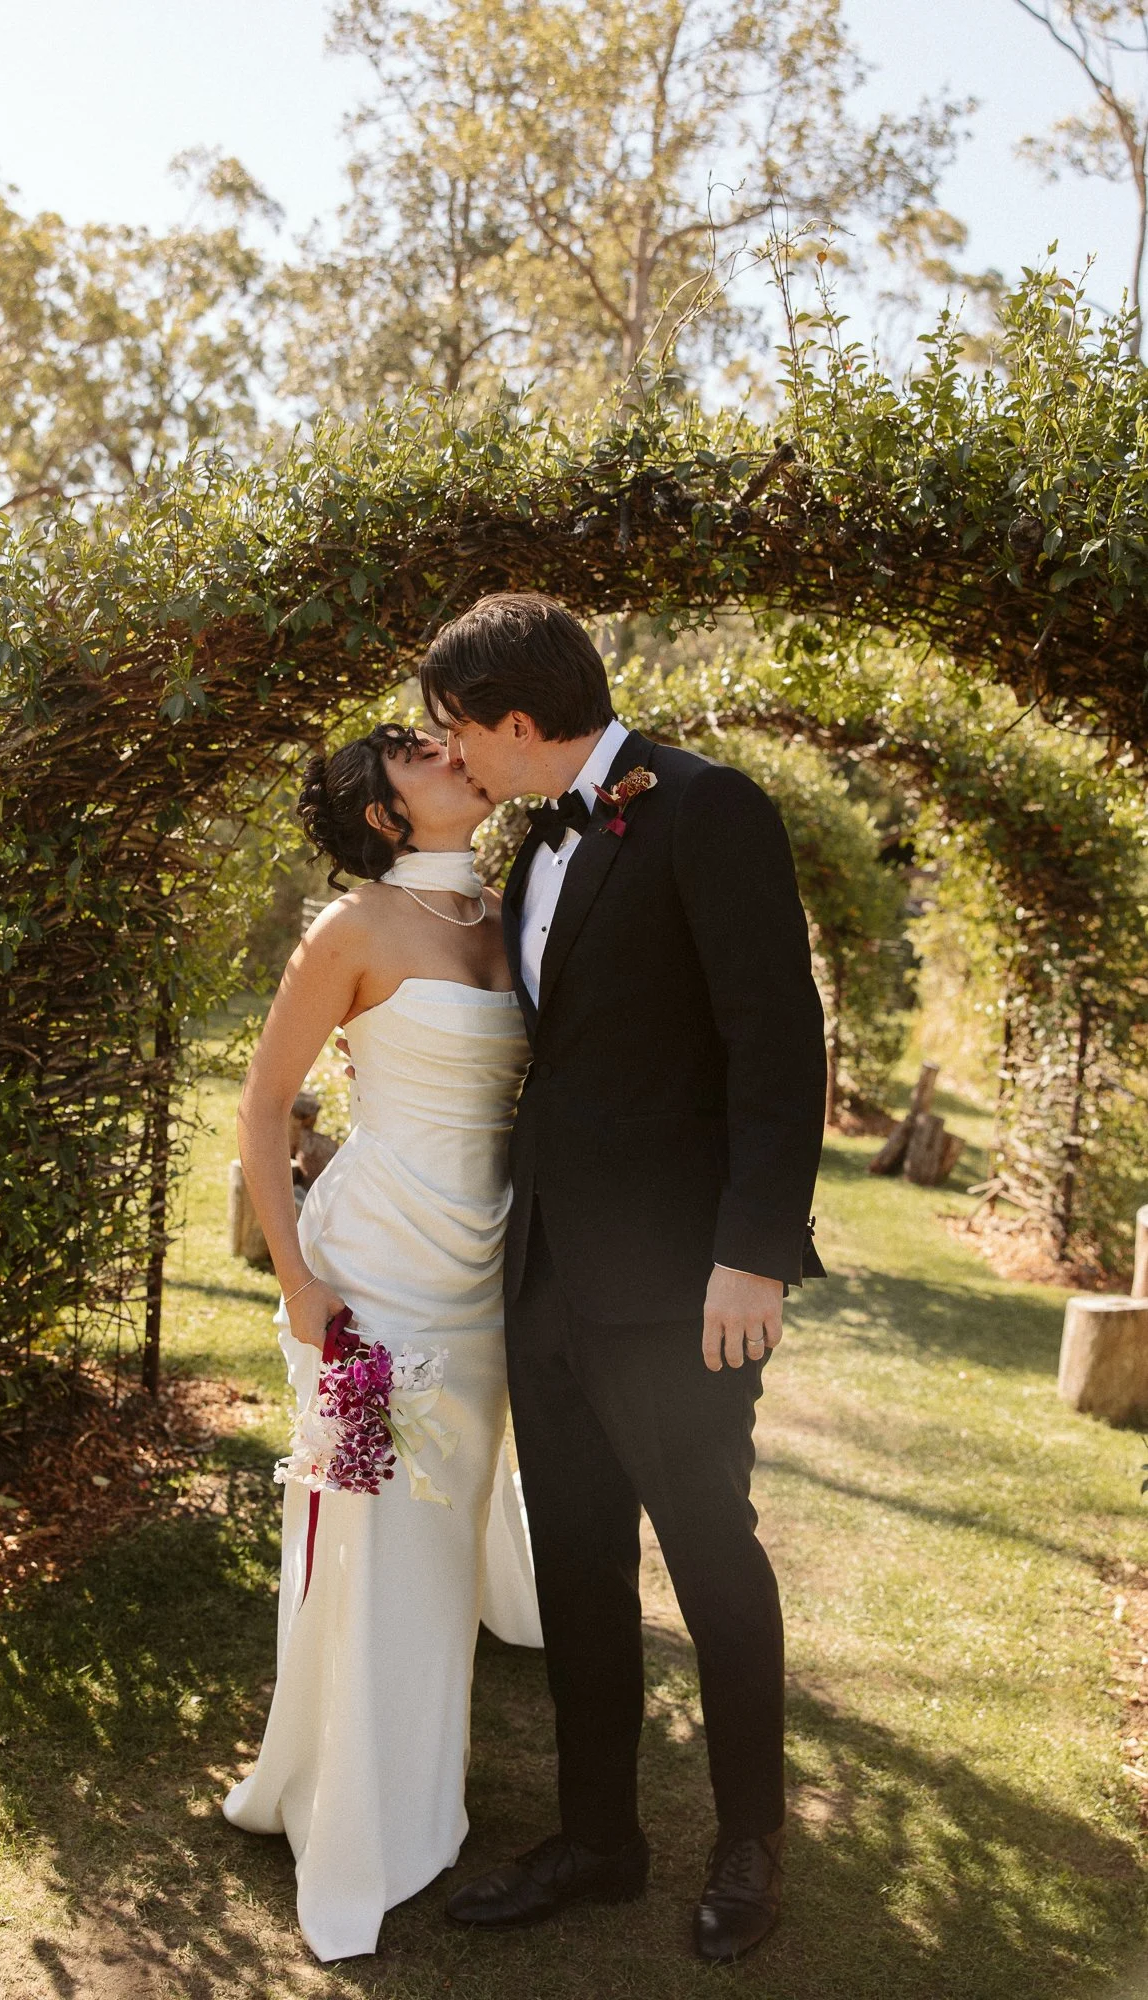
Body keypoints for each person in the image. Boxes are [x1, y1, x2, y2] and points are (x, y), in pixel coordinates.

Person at [420, 593, 827, 1965]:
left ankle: (748, 1846)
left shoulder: (712, 811)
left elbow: (777, 1042)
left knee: (713, 1556)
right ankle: (598, 1840)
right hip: (547, 1277)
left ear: (519, 724)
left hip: (681, 1287)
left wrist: (753, 1254)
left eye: (457, 730)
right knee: (577, 1565)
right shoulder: (530, 837)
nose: (450, 753)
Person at [223, 722, 542, 1964]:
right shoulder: (349, 928)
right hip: (373, 1279)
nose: (448, 746)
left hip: (486, 1274)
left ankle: (420, 1784)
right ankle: (361, 1817)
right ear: (382, 812)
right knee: (378, 1532)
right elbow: (261, 1104)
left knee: (444, 1539)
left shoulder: (509, 910)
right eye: (414, 748)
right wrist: (297, 1274)